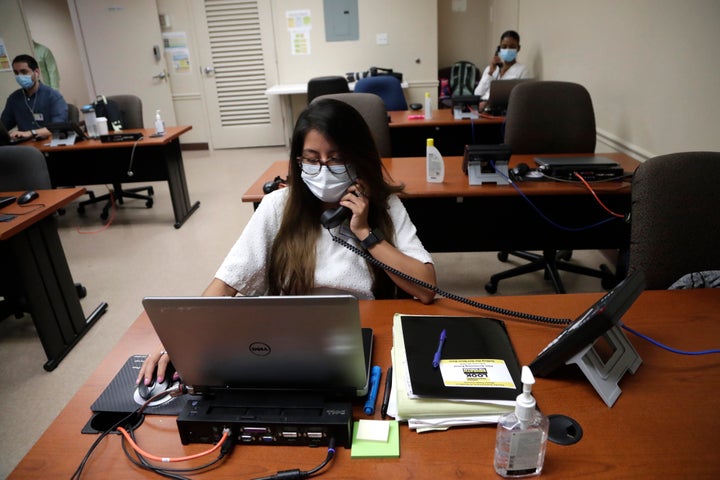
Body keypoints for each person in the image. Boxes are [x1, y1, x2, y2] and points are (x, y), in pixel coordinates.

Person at [137, 98, 437, 387]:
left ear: (358, 158)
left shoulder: (386, 206)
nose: (323, 169)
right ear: (298, 160)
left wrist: (365, 232)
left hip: (362, 334)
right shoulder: (277, 206)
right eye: (311, 159)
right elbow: (228, 282)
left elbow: (425, 288)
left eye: (336, 159)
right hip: (288, 341)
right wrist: (181, 343)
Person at [1, 54, 68, 141]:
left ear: (36, 72)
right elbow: (3, 126)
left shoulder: (53, 96)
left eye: (24, 72)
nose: (20, 76)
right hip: (25, 146)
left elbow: (58, 127)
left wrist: (30, 133)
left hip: (49, 144)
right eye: (16, 73)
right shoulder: (14, 99)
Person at [474, 30, 533, 107]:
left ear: (518, 48)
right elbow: (477, 93)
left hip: (502, 109)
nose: (507, 50)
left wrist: (488, 104)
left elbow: (521, 98)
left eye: (512, 47)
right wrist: (490, 73)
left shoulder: (523, 70)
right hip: (481, 107)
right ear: (499, 49)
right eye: (504, 47)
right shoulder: (491, 68)